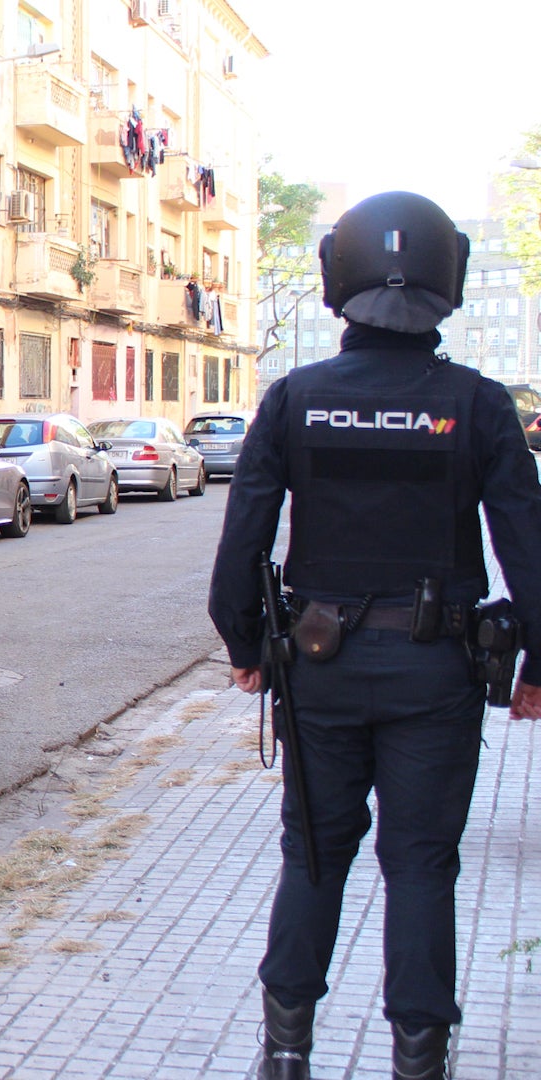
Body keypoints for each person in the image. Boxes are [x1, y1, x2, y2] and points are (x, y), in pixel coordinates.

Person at [209, 190, 541, 1080]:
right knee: (423, 867)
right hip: (436, 674)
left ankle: (285, 1055)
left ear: (334, 281)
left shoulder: (295, 398)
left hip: (317, 671)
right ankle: (418, 1063)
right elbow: (528, 546)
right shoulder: (478, 406)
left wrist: (245, 647)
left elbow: (243, 541)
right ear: (450, 282)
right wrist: (538, 664)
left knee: (312, 855)